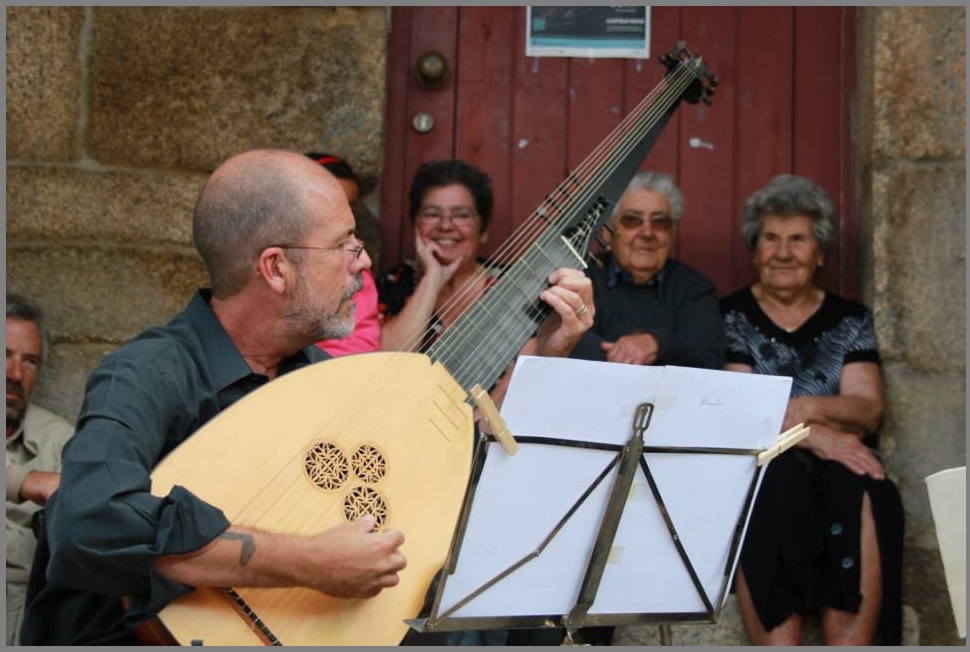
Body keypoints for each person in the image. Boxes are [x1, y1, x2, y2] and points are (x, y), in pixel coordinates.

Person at [19, 149, 594, 646]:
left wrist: (542, 354)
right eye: (345, 245)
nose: (364, 262)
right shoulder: (147, 373)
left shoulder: (318, 377)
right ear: (276, 268)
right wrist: (305, 561)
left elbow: (446, 471)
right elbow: (89, 524)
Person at [719, 174, 904, 645]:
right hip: (767, 465)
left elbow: (866, 410)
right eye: (771, 239)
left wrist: (797, 409)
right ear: (754, 250)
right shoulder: (730, 317)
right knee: (771, 482)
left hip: (840, 469)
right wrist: (817, 431)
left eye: (798, 240)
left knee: (858, 480)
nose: (783, 253)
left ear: (820, 253)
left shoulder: (849, 319)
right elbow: (740, 410)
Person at [569, 170, 725, 370]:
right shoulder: (581, 277)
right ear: (608, 231)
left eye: (660, 222)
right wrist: (626, 356)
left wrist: (659, 343)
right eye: (632, 220)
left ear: (672, 233)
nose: (647, 232)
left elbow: (709, 360)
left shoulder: (694, 288)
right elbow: (566, 344)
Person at [6, 293, 75, 646]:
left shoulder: (59, 440)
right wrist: (25, 481)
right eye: (4, 355)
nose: (15, 374)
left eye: (29, 361)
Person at [307, 152, 382, 356]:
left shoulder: (357, 269)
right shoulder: (293, 261)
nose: (346, 215)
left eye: (352, 207)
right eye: (335, 206)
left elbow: (362, 343)